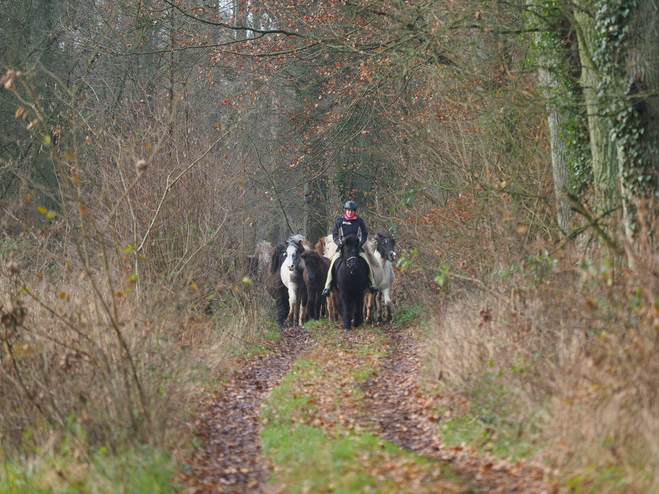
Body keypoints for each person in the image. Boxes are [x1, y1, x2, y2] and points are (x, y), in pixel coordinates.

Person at [322, 201, 379, 297]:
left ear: (355, 212)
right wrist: (340, 244)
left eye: (352, 211)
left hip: (357, 249)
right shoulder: (339, 222)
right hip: (342, 249)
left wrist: (360, 243)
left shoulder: (359, 222)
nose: (350, 212)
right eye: (348, 210)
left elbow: (364, 234)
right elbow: (335, 235)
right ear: (345, 211)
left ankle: (372, 284)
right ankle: (327, 286)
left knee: (367, 263)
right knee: (332, 264)